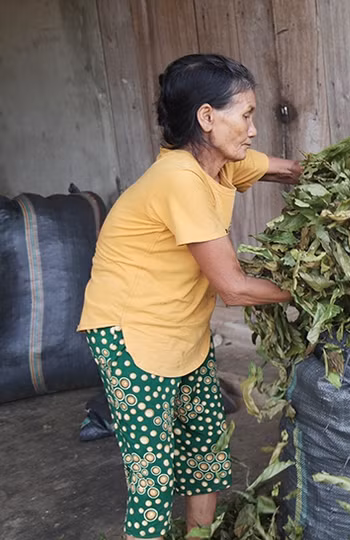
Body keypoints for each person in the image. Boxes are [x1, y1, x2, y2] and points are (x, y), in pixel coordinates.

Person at [78, 54, 299, 540]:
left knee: (205, 449)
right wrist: (319, 285)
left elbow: (289, 171)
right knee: (152, 477)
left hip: (184, 334)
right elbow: (234, 288)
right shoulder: (179, 179)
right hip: (129, 334)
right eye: (245, 114)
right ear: (207, 117)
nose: (254, 129)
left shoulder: (222, 167)